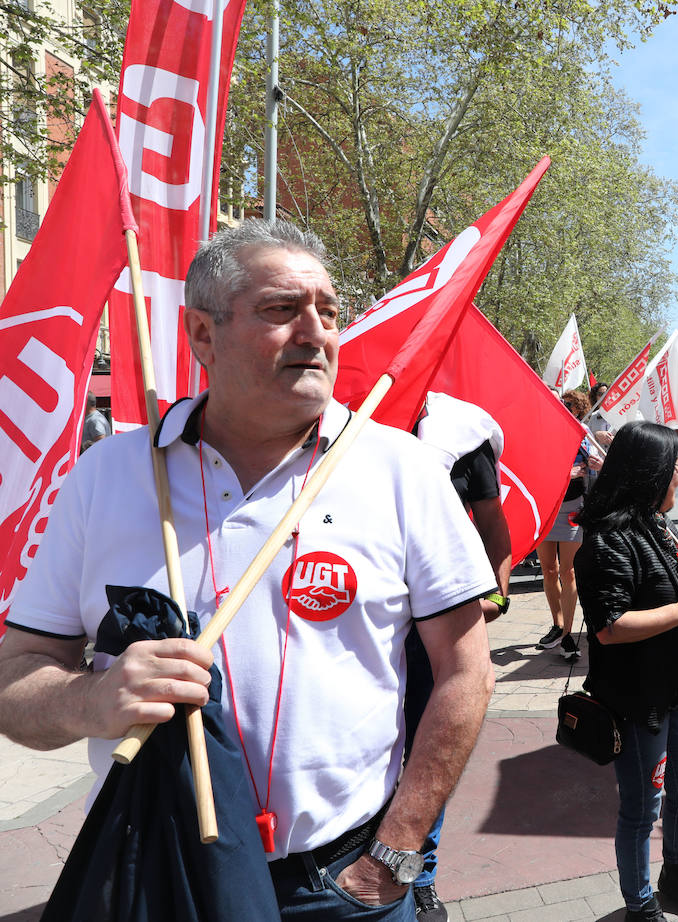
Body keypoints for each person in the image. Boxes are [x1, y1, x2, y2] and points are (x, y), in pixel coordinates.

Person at [0, 219, 497, 920]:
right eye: (281, 310)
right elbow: (16, 673)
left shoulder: (400, 468)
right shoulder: (104, 477)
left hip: (343, 887)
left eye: (328, 311)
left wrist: (397, 850)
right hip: (158, 874)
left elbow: (468, 670)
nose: (316, 331)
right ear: (202, 334)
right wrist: (92, 700)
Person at [574, 421, 678, 922]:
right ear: (650, 473)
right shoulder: (605, 540)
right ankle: (640, 905)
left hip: (675, 689)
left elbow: (671, 577)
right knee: (643, 809)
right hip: (636, 702)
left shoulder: (659, 524)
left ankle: (676, 874)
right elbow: (610, 626)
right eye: (677, 470)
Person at [409, 392, 515, 921]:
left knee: (431, 745)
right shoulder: (351, 419)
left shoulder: (460, 432)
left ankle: (419, 874)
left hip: (442, 623)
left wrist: (496, 594)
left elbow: (493, 521)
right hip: (365, 620)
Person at [535, 389, 594, 661]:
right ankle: (557, 625)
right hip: (546, 505)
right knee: (549, 569)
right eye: (560, 403)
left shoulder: (582, 433)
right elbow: (532, 466)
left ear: (578, 409)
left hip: (572, 507)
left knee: (568, 572)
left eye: (567, 404)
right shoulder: (542, 430)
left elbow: (595, 466)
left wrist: (594, 462)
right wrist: (561, 473)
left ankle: (568, 635)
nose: (562, 407)